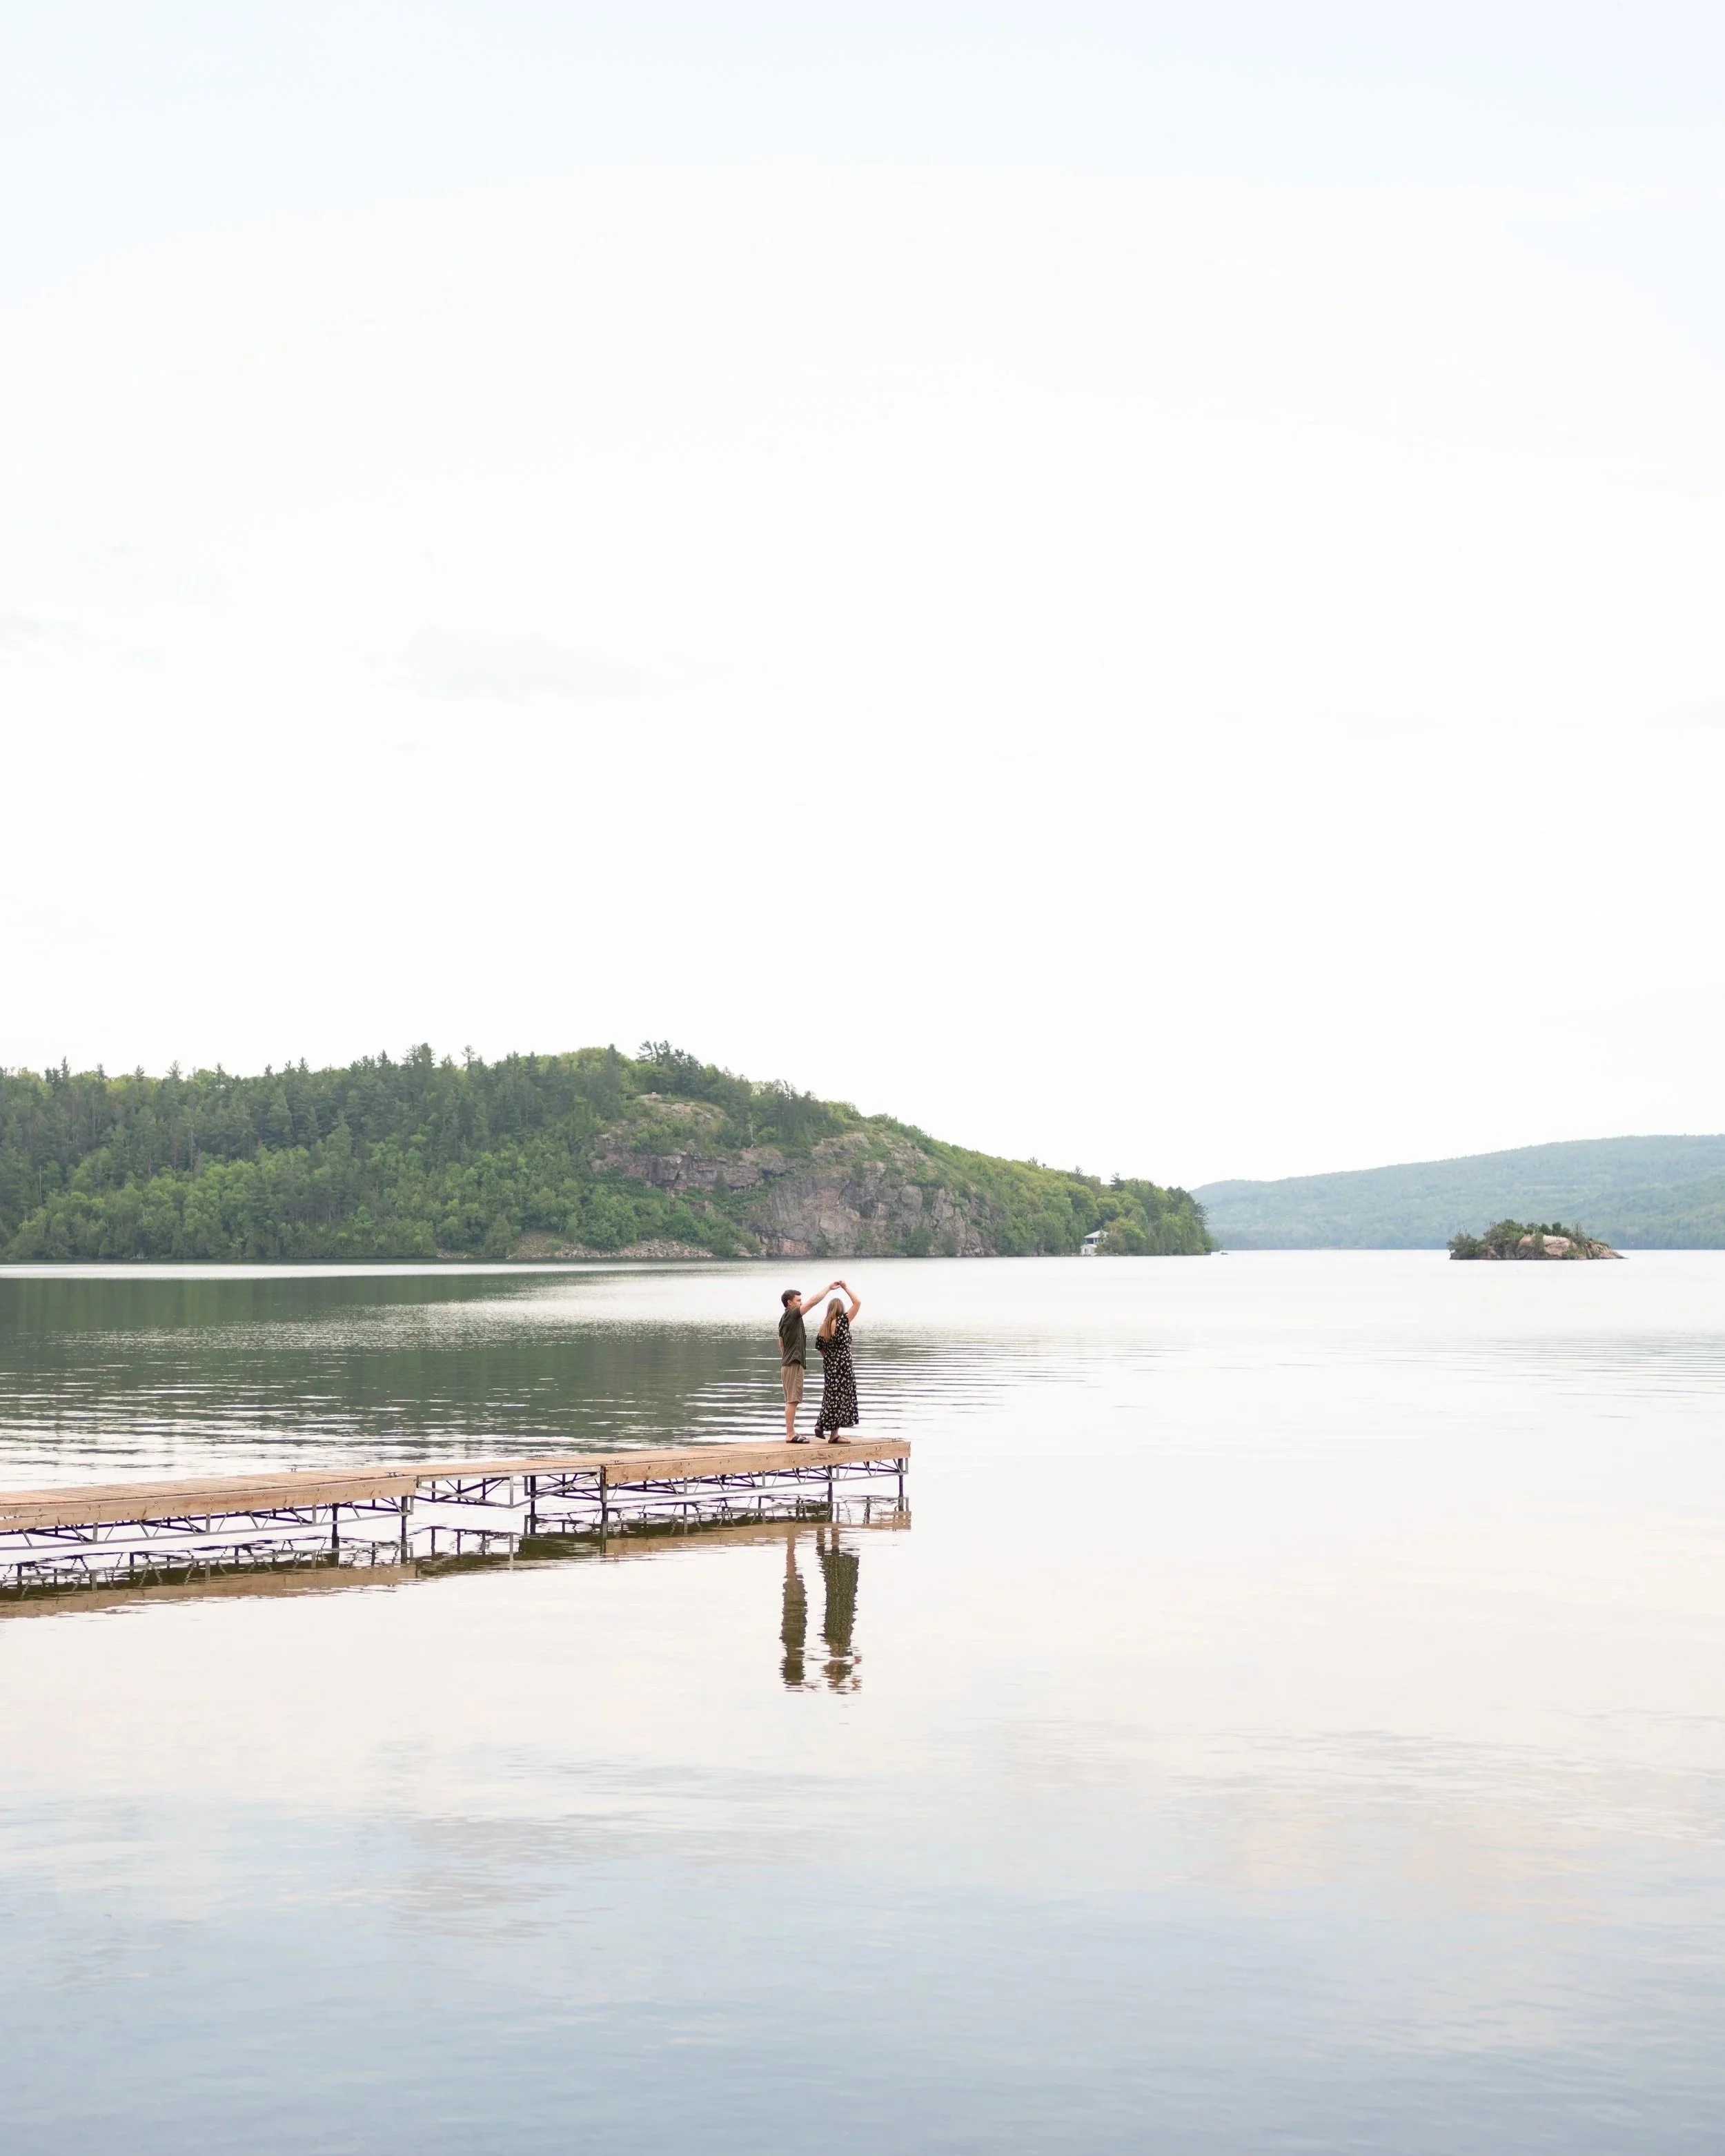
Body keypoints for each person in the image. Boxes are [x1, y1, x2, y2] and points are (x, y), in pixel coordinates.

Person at [778, 1278, 842, 1443]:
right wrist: (828, 1288)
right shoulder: (792, 1314)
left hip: (787, 1362)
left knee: (791, 1400)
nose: (802, 1303)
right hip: (793, 1363)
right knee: (793, 1400)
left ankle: (791, 1433)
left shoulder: (784, 1319)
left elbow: (781, 1344)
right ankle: (790, 1434)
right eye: (799, 1300)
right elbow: (813, 1302)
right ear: (789, 1302)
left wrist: (787, 1358)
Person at [813, 1280, 862, 1442]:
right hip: (844, 1366)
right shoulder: (842, 1322)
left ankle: (821, 1424)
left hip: (830, 1366)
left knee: (830, 1396)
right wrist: (846, 1287)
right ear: (841, 1309)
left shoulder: (824, 1326)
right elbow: (858, 1302)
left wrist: (830, 1358)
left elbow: (820, 1347)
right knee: (840, 1398)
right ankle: (834, 1435)